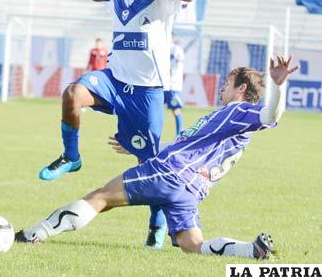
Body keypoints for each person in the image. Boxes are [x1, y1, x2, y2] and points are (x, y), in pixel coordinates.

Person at [15, 56, 298, 260]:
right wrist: (139, 149)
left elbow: (270, 116)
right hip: (191, 190)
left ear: (241, 90)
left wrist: (278, 86)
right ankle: (252, 251)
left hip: (171, 174)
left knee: (101, 197)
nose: (222, 87)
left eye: (227, 83)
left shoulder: (238, 112)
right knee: (193, 245)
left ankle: (33, 234)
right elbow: (184, 144)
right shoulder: (227, 120)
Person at [39, 0, 194, 249]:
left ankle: (157, 225)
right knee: (72, 94)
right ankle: (71, 157)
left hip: (146, 92)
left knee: (148, 165)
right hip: (113, 80)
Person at [164, 38, 184, 137]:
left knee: (175, 110)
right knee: (154, 109)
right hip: (161, 85)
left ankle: (179, 135)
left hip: (172, 86)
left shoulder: (177, 49)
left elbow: (178, 64)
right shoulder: (161, 47)